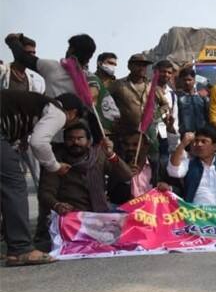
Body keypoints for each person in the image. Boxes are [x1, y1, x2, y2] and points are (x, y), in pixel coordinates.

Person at [1, 91, 85, 266]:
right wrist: (55, 166)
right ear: (73, 113)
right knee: (14, 184)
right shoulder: (58, 112)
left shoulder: (35, 107)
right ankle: (20, 249)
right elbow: (39, 142)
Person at [35, 122, 133, 251]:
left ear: (88, 141)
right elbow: (45, 192)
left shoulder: (99, 156)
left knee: (133, 224)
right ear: (65, 141)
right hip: (73, 220)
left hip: (100, 215)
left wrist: (111, 155)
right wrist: (57, 205)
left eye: (79, 138)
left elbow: (126, 176)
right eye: (70, 139)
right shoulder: (56, 163)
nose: (75, 142)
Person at [166, 125, 216, 216]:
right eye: (196, 141)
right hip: (194, 215)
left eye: (204, 141)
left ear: (215, 146)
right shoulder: (189, 163)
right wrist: (182, 144)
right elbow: (173, 171)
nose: (199, 144)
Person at [4, 32, 96, 99]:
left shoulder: (53, 67)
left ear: (71, 50)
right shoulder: (92, 82)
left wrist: (13, 39)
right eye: (29, 52)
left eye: (68, 48)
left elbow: (22, 57)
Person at [108, 53, 156, 135]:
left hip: (146, 133)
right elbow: (104, 101)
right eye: (138, 65)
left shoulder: (151, 85)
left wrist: (155, 115)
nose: (142, 68)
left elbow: (164, 104)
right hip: (124, 133)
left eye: (144, 66)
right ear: (129, 66)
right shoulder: (118, 85)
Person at [176, 66, 208, 134]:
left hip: (201, 133)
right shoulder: (176, 97)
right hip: (184, 134)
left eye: (189, 80)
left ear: (194, 80)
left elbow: (207, 115)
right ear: (180, 80)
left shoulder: (202, 97)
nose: (187, 82)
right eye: (184, 80)